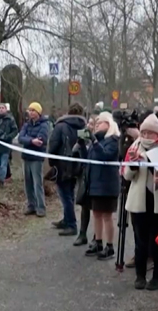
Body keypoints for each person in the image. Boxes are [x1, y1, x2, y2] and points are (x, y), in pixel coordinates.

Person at [123, 114, 158, 290]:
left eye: (150, 133)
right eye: (143, 132)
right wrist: (134, 165)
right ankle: (140, 275)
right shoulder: (134, 146)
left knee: (157, 242)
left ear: (156, 134)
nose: (146, 136)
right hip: (139, 202)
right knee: (140, 242)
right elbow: (127, 175)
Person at [84, 112, 120, 259]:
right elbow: (88, 159)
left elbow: (105, 155)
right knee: (96, 214)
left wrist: (94, 142)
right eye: (96, 123)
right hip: (94, 183)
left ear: (109, 124)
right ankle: (98, 242)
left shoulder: (113, 141)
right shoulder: (96, 142)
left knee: (107, 216)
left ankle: (110, 246)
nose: (97, 125)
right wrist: (81, 144)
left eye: (100, 122)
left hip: (107, 184)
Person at [49, 103, 86, 236]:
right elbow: (85, 145)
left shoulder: (60, 126)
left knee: (65, 195)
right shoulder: (84, 126)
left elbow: (53, 144)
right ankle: (66, 219)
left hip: (62, 164)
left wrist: (51, 162)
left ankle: (71, 224)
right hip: (77, 165)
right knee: (69, 192)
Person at [18, 102, 50, 217]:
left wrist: (30, 140)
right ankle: (31, 205)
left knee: (37, 184)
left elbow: (41, 141)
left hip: (37, 158)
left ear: (38, 112)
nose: (31, 112)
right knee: (28, 183)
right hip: (26, 157)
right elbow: (20, 138)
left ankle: (41, 207)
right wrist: (31, 141)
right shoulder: (27, 124)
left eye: (33, 110)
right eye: (30, 110)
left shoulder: (44, 125)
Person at [73, 116, 94, 246]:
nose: (89, 126)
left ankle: (98, 237)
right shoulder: (85, 139)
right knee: (84, 206)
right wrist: (80, 143)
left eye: (93, 124)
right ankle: (82, 233)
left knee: (98, 208)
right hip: (84, 175)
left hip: (96, 175)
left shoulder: (100, 139)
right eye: (89, 123)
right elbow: (75, 153)